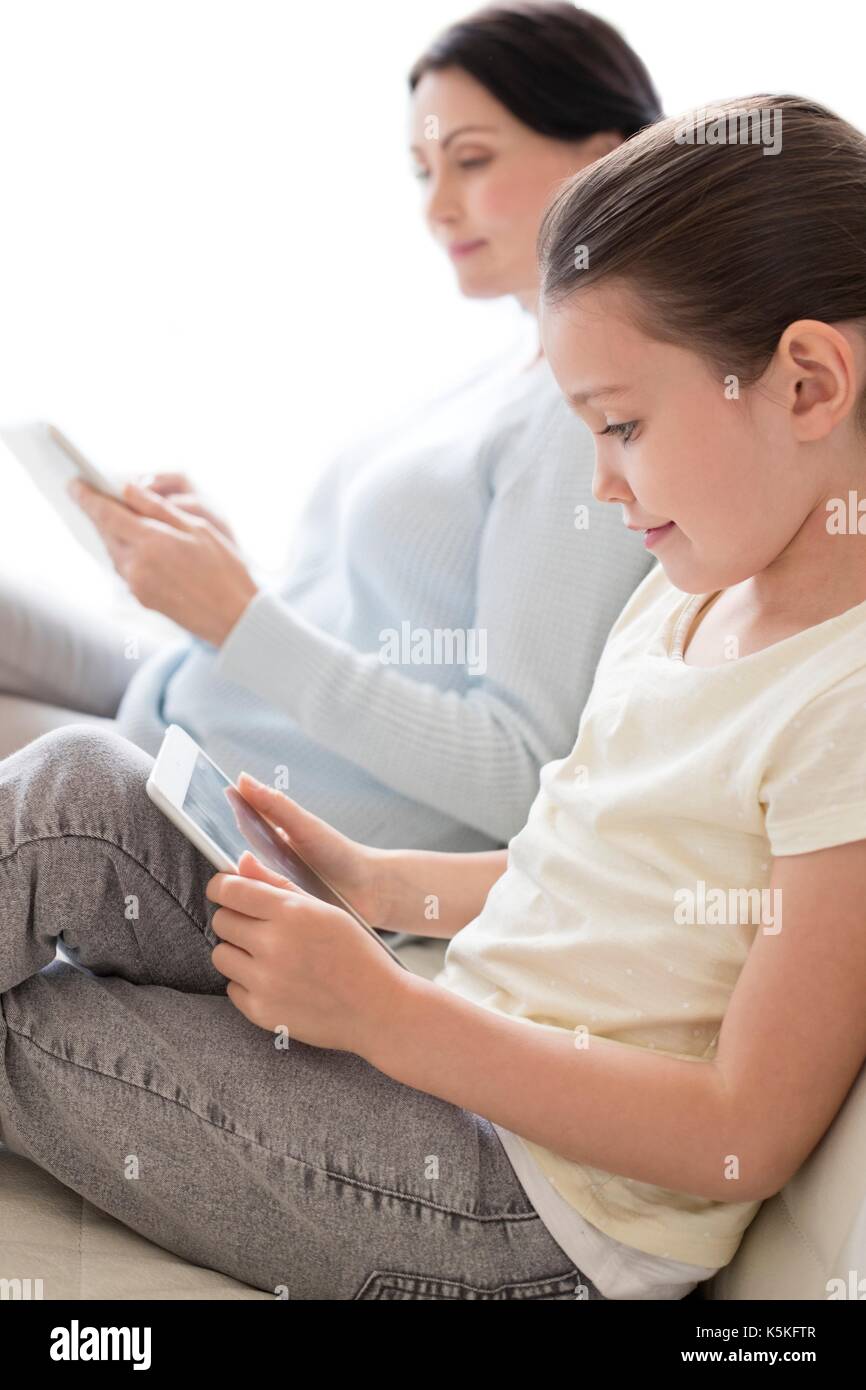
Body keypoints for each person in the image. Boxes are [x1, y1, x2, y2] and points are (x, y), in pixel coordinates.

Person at [4, 92, 865, 1301]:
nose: (602, 488)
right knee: (78, 790)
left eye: (621, 425)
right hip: (449, 1044)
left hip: (521, 1210)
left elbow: (744, 1125)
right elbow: (580, 862)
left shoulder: (841, 710)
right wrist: (378, 882)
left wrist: (387, 1018)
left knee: (39, 1032)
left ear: (807, 386)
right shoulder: (692, 594)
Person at [0, 2, 661, 855]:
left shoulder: (586, 417)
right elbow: (376, 622)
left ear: (600, 158)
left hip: (224, 793)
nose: (438, 207)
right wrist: (231, 577)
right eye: (423, 171)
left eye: (471, 161)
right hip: (193, 698)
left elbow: (518, 773)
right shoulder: (506, 368)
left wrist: (241, 616)